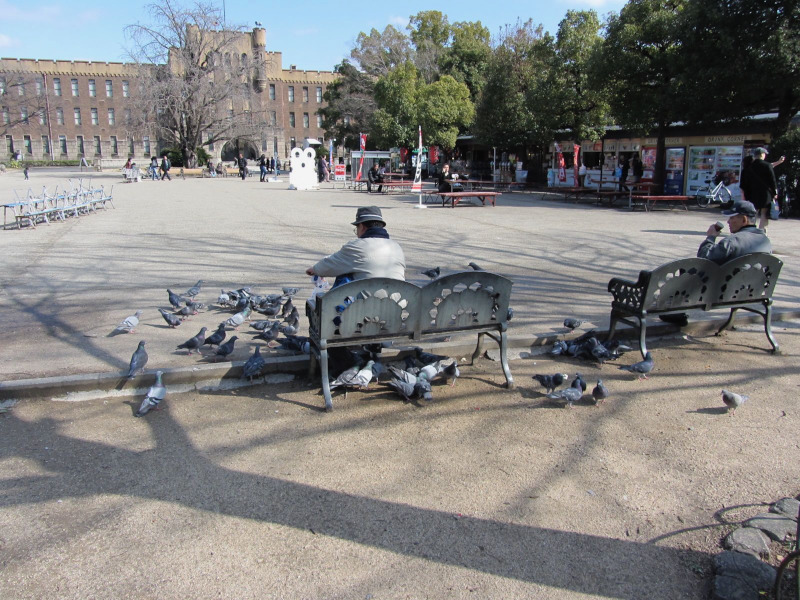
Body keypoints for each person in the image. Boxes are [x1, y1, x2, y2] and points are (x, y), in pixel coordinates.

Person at [305, 206, 406, 287]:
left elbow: (331, 264)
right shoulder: (397, 247)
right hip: (397, 304)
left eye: (356, 228)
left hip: (367, 306)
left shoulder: (357, 246)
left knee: (344, 275)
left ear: (361, 226)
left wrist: (315, 269)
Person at [697, 200, 772, 265]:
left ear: (744, 220)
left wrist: (711, 237)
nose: (728, 221)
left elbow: (703, 259)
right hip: (755, 281)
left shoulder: (732, 242)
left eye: (732, 218)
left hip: (727, 281)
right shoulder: (765, 241)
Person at [740, 147, 777, 232]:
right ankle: (762, 231)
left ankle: (750, 229)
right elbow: (772, 180)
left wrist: (745, 195)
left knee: (753, 213)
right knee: (764, 214)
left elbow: (745, 183)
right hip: (765, 194)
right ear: (761, 154)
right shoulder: (767, 165)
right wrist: (775, 192)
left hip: (752, 194)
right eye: (764, 154)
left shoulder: (749, 167)